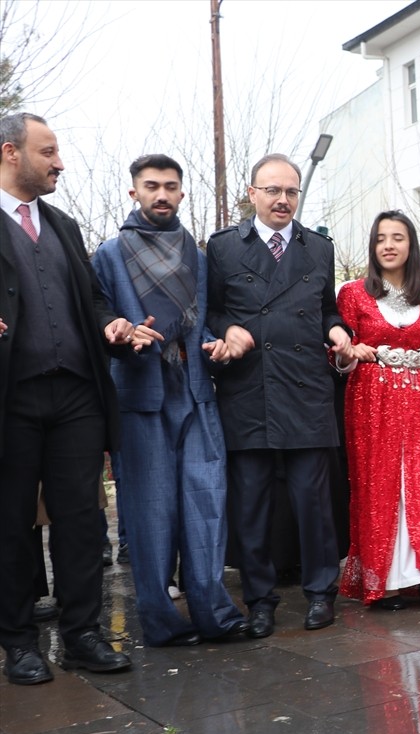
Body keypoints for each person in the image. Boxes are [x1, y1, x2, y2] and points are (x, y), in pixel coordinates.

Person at [0, 112, 156, 684]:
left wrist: (113, 325)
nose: (59, 163)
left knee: (82, 520)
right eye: (48, 152)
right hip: (11, 400)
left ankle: (83, 633)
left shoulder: (63, 225)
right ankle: (17, 641)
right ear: (10, 152)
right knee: (11, 523)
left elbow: (92, 301)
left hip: (77, 397)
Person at [91, 154, 247, 646]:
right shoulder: (109, 254)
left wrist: (226, 336)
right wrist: (113, 327)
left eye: (171, 186)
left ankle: (213, 613)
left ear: (182, 193)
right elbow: (95, 308)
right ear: (133, 192)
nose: (162, 194)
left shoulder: (199, 257)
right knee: (150, 511)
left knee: (207, 503)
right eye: (152, 186)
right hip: (140, 395)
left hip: (196, 391)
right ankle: (160, 623)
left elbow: (213, 314)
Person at [206, 153, 352, 637]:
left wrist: (338, 332)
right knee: (251, 508)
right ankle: (260, 599)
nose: (283, 199)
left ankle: (320, 593)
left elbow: (327, 309)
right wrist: (228, 329)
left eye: (291, 191)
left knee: (314, 505)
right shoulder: (223, 248)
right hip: (248, 391)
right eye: (272, 190)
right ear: (252, 195)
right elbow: (209, 312)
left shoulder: (319, 248)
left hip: (306, 390)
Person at [335, 210, 420, 607]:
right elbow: (340, 352)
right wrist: (348, 352)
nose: (389, 245)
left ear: (411, 246)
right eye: (381, 238)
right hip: (373, 398)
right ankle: (385, 577)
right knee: (382, 483)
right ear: (372, 247)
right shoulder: (354, 293)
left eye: (398, 237)